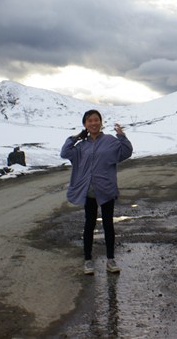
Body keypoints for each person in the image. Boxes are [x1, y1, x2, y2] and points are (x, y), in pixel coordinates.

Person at [60, 109, 133, 275]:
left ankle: (110, 260)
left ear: (101, 122)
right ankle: (88, 260)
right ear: (85, 124)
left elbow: (126, 151)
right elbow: (64, 153)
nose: (93, 123)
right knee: (89, 225)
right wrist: (76, 137)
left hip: (106, 189)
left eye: (96, 120)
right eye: (89, 121)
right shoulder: (81, 146)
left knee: (108, 224)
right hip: (88, 191)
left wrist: (121, 135)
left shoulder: (110, 141)